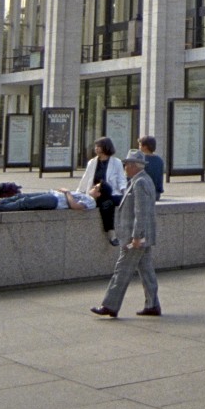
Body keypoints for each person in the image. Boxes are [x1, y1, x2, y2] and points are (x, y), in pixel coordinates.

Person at [91, 150, 160, 318]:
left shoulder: (140, 182)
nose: (125, 167)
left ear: (135, 166)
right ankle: (153, 305)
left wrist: (137, 237)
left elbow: (141, 212)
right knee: (146, 271)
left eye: (127, 164)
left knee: (121, 270)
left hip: (135, 238)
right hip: (141, 237)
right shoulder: (142, 180)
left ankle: (110, 305)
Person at [76, 137, 126, 244]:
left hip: (111, 193)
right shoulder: (92, 162)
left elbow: (121, 179)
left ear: (106, 147)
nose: (96, 149)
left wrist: (124, 190)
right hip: (96, 193)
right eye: (95, 146)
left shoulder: (116, 162)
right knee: (107, 201)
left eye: (98, 146)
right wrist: (79, 193)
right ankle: (111, 233)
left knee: (107, 201)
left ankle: (111, 232)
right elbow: (85, 178)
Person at [0, 187, 97, 211]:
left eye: (96, 188)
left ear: (99, 194)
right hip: (53, 194)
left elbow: (75, 206)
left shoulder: (91, 201)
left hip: (56, 201)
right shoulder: (84, 193)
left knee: (26, 202)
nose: (93, 187)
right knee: (22, 196)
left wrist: (67, 192)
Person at [139, 135, 165, 199]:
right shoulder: (159, 160)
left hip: (144, 193)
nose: (139, 147)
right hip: (156, 193)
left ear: (145, 147)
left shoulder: (141, 160)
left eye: (140, 145)